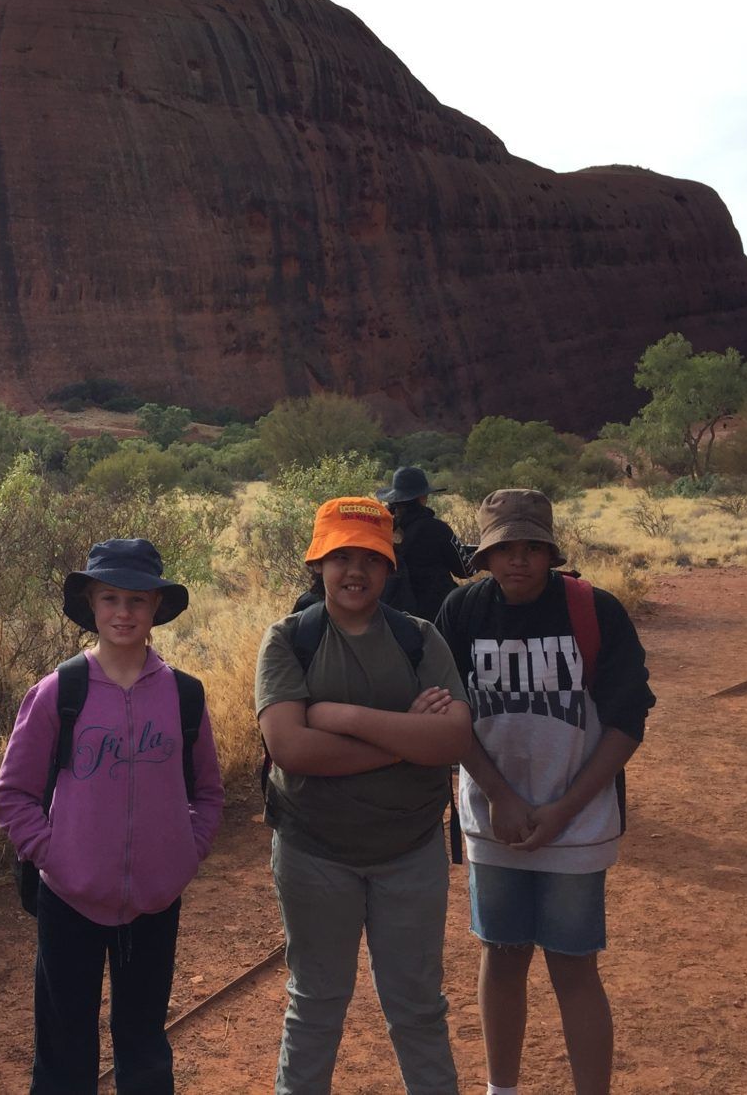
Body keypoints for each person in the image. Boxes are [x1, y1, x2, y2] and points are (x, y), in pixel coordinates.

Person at [435, 489, 655, 1095]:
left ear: (552, 551)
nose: (519, 560)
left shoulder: (595, 611)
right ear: (483, 555)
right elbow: (450, 716)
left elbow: (627, 719)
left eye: (532, 546)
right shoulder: (462, 613)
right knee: (502, 954)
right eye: (505, 547)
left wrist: (565, 808)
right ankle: (499, 1089)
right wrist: (501, 795)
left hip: (578, 822)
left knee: (573, 964)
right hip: (492, 820)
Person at [256, 496, 472, 1095]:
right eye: (341, 556)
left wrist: (343, 715)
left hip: (411, 849)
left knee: (418, 1007)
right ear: (318, 562)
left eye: (370, 559)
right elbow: (292, 750)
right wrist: (407, 736)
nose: (355, 571)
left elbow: (453, 735)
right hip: (314, 852)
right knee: (316, 1005)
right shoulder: (288, 641)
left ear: (389, 566)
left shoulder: (419, 639)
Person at [0, 538, 224, 1095]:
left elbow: (209, 792)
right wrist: (59, 857)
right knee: (64, 1048)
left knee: (143, 1045)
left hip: (154, 903)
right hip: (68, 902)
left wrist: (182, 856)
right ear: (92, 606)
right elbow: (12, 795)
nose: (124, 612)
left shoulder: (184, 696)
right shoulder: (57, 692)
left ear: (156, 610)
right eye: (111, 598)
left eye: (138, 601)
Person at [377, 465, 468, 621]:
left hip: (394, 616)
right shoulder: (438, 529)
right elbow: (465, 570)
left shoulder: (383, 531)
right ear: (422, 498)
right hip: (438, 614)